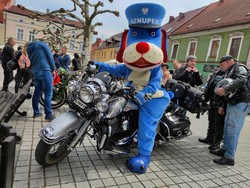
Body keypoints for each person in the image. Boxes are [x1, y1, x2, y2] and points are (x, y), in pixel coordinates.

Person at [211, 55, 250, 166]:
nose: (221, 66)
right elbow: (229, 92)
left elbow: (242, 79)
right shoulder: (230, 70)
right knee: (227, 128)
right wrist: (223, 105)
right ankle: (224, 150)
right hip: (232, 102)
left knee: (233, 130)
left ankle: (229, 157)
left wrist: (224, 89)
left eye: (222, 64)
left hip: (240, 103)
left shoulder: (239, 67)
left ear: (228, 61)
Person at [26, 41, 56, 122]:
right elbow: (50, 57)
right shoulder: (42, 44)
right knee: (48, 93)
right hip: (45, 70)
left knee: (37, 92)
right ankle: (48, 115)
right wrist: (53, 69)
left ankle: (36, 112)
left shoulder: (29, 49)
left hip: (36, 72)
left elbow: (31, 62)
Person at [198, 65, 226, 150]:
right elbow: (209, 85)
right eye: (220, 64)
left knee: (219, 124)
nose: (221, 66)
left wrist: (223, 104)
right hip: (212, 100)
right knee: (211, 120)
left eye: (223, 64)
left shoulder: (228, 74)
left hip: (220, 102)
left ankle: (216, 143)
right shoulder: (216, 73)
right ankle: (209, 138)